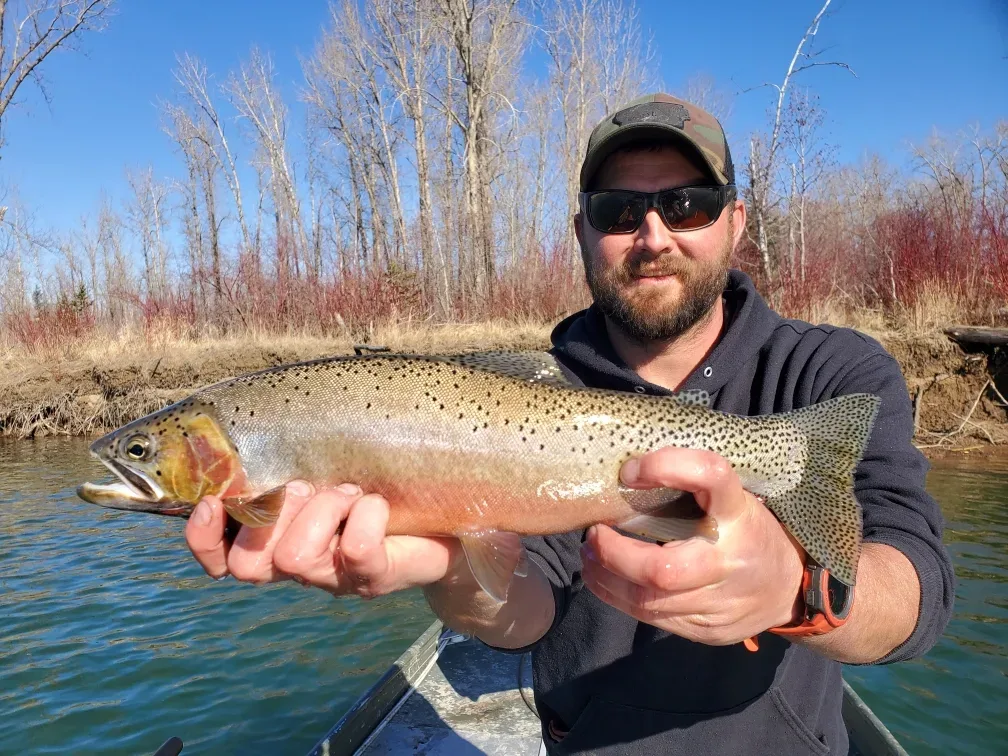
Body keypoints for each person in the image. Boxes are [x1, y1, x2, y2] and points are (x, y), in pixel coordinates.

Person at [184, 94, 954, 754]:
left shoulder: (832, 370)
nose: (652, 234)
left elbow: (917, 596)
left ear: (735, 221)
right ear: (582, 231)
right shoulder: (533, 394)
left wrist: (795, 590)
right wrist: (451, 569)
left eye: (686, 204)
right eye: (618, 210)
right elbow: (526, 612)